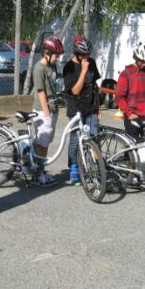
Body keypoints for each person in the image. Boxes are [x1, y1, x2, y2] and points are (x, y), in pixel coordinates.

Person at [116, 41, 145, 162]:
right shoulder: (126, 74)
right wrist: (128, 113)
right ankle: (129, 170)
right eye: (142, 61)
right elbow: (120, 97)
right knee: (131, 148)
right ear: (135, 57)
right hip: (132, 116)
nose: (144, 64)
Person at [62, 36, 100, 186]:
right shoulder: (68, 68)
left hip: (91, 107)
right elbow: (75, 91)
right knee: (75, 140)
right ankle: (74, 169)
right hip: (76, 109)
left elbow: (95, 86)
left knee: (93, 138)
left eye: (88, 54)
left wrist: (98, 107)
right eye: (83, 55)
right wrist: (83, 71)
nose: (86, 57)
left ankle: (94, 169)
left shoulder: (92, 63)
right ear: (76, 53)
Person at [31, 35, 64, 187]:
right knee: (41, 145)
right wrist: (47, 114)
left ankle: (40, 171)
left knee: (44, 144)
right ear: (46, 53)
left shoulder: (51, 66)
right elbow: (40, 92)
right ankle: (38, 176)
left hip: (52, 108)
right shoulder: (39, 68)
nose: (58, 58)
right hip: (42, 111)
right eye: (56, 55)